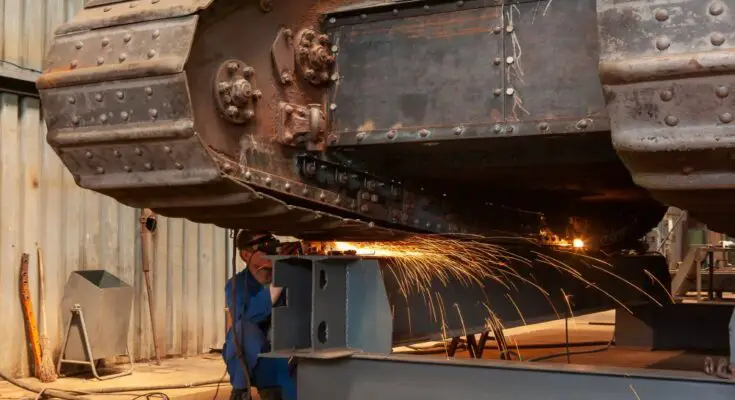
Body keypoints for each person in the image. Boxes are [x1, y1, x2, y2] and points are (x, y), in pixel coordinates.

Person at [223, 231, 297, 400]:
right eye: (263, 245)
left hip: (290, 358)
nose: (270, 249)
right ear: (246, 254)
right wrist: (278, 281)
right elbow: (249, 316)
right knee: (242, 329)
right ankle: (240, 392)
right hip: (259, 361)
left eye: (271, 242)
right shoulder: (238, 284)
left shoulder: (293, 276)